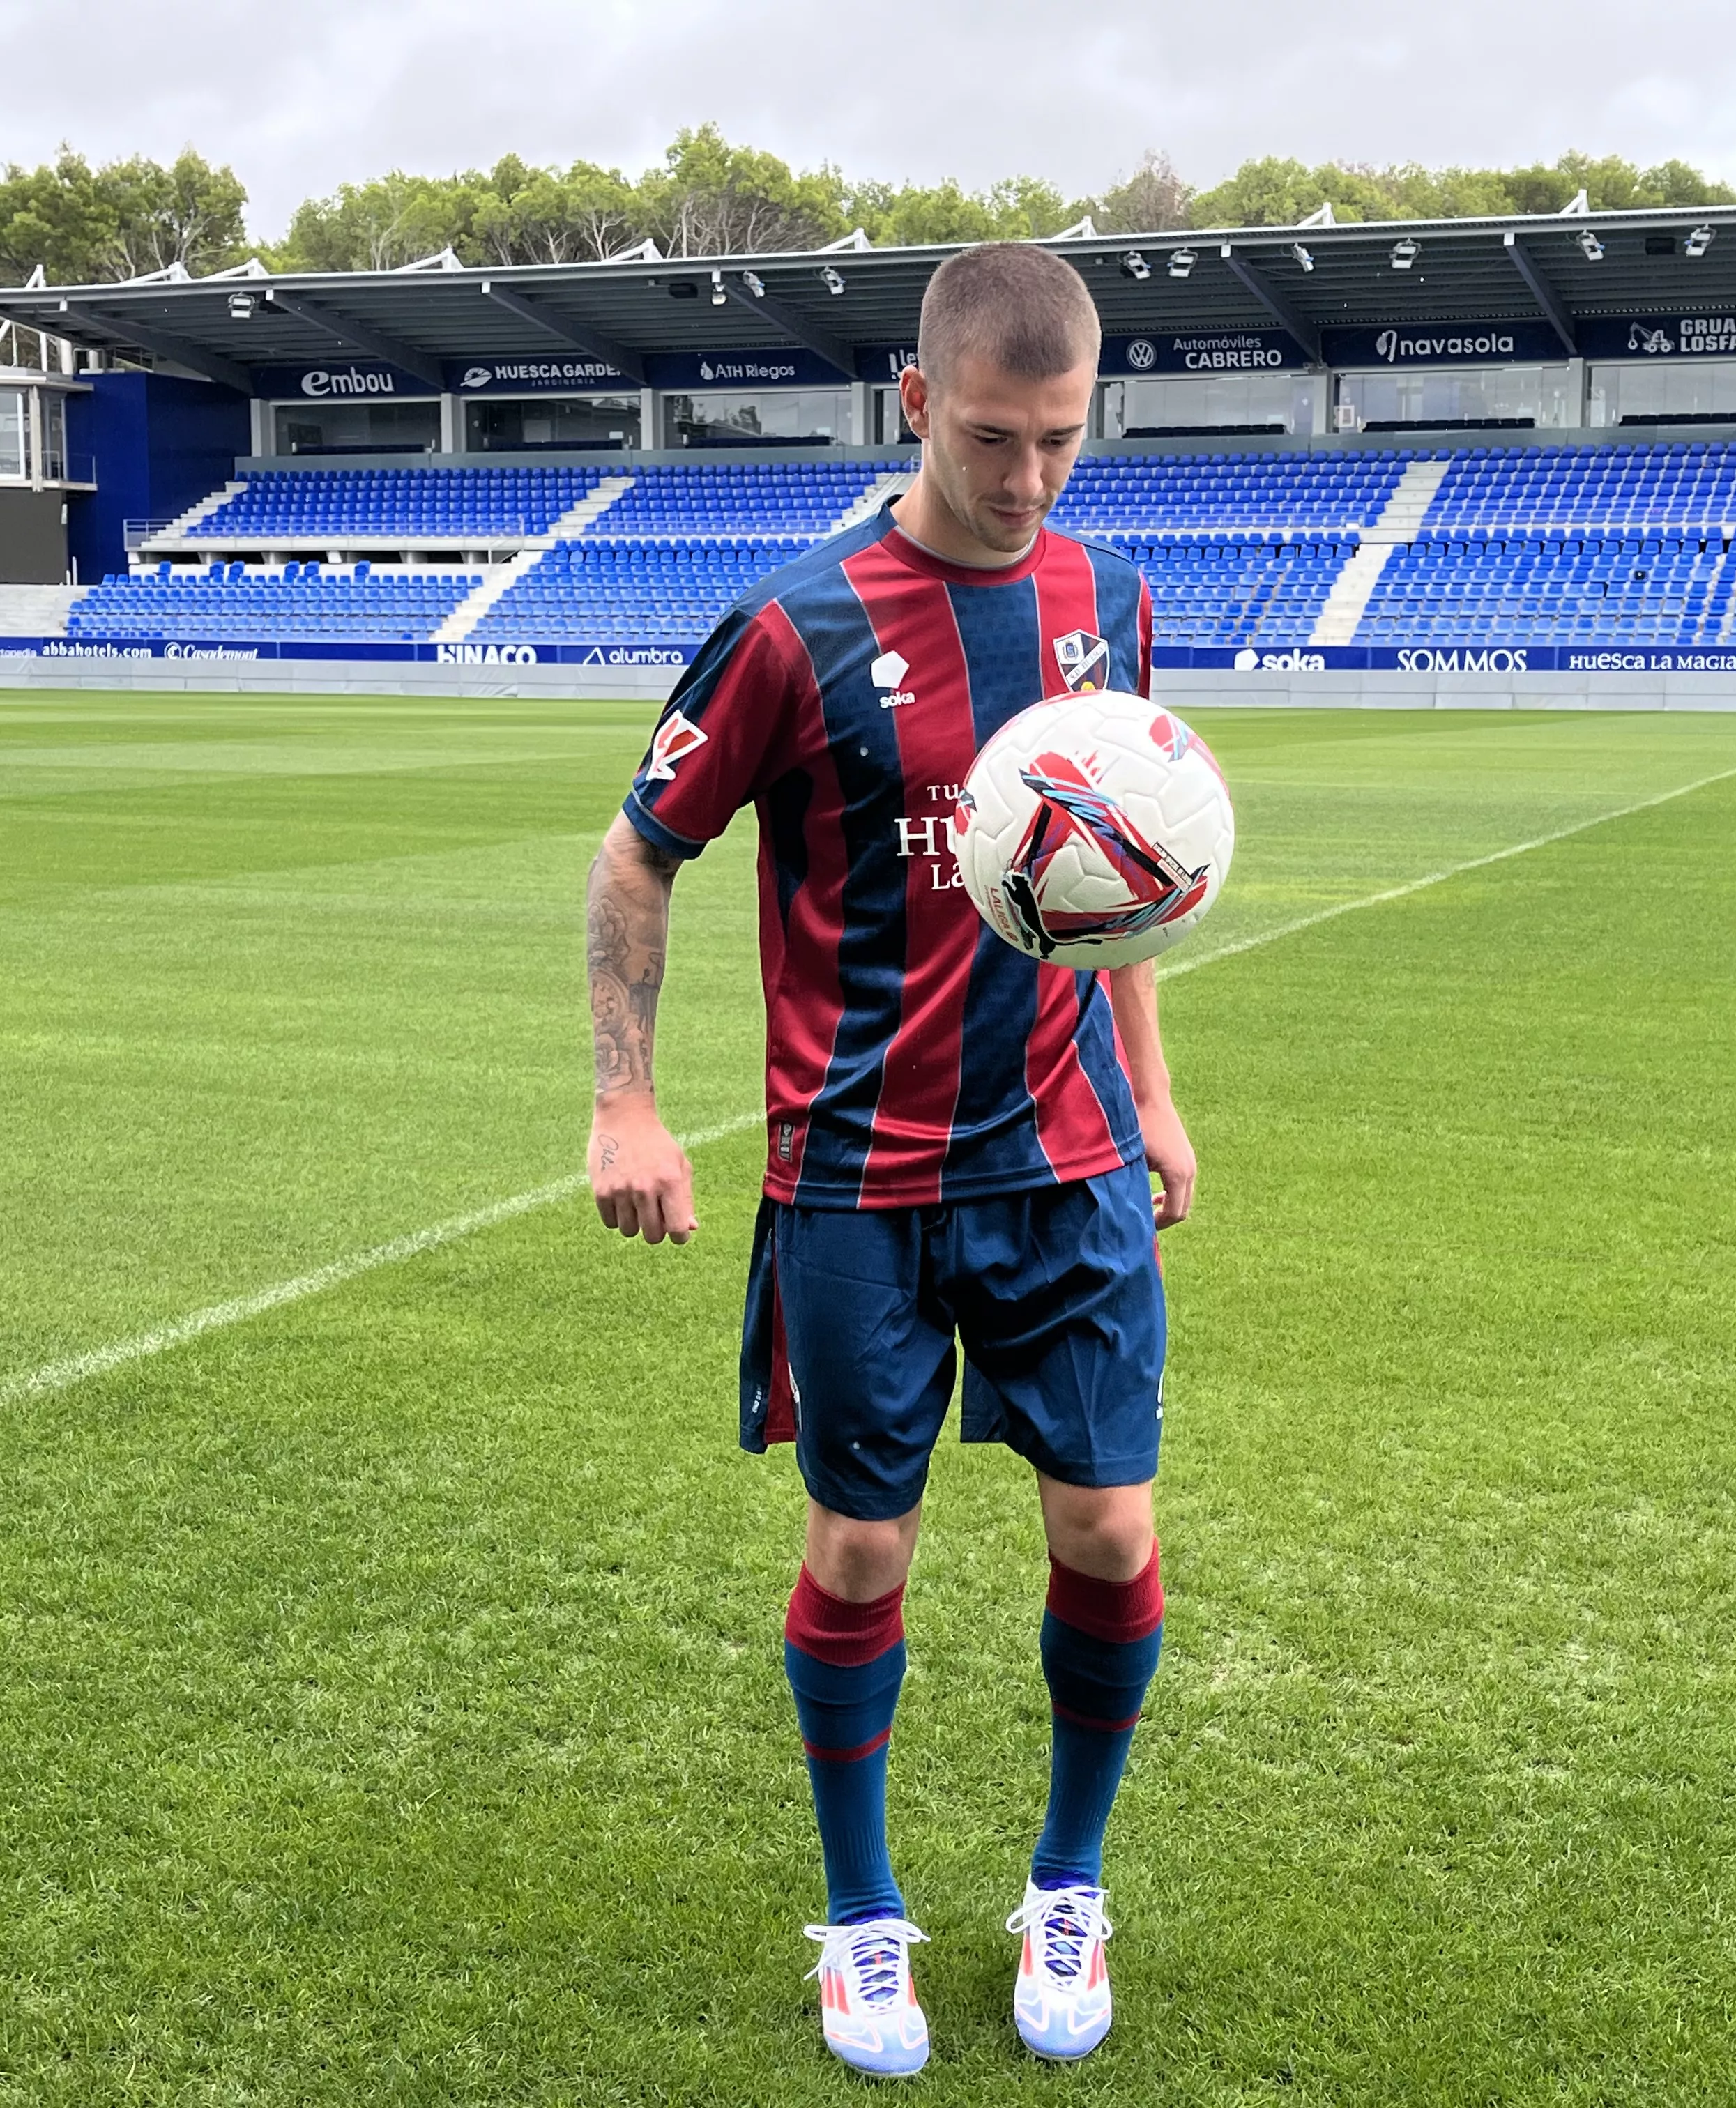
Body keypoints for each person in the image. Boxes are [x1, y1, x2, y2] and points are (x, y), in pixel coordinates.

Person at [583, 242, 1194, 2077]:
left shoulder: (1107, 597)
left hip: (1066, 1158)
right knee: (861, 1554)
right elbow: (638, 854)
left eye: (1062, 441)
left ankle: (1064, 1882)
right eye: (995, 439)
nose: (1026, 482)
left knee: (1109, 1525)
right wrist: (624, 1101)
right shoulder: (794, 628)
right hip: (857, 1185)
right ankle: (860, 1920)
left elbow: (1120, 881)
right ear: (917, 406)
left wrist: (1154, 1085)